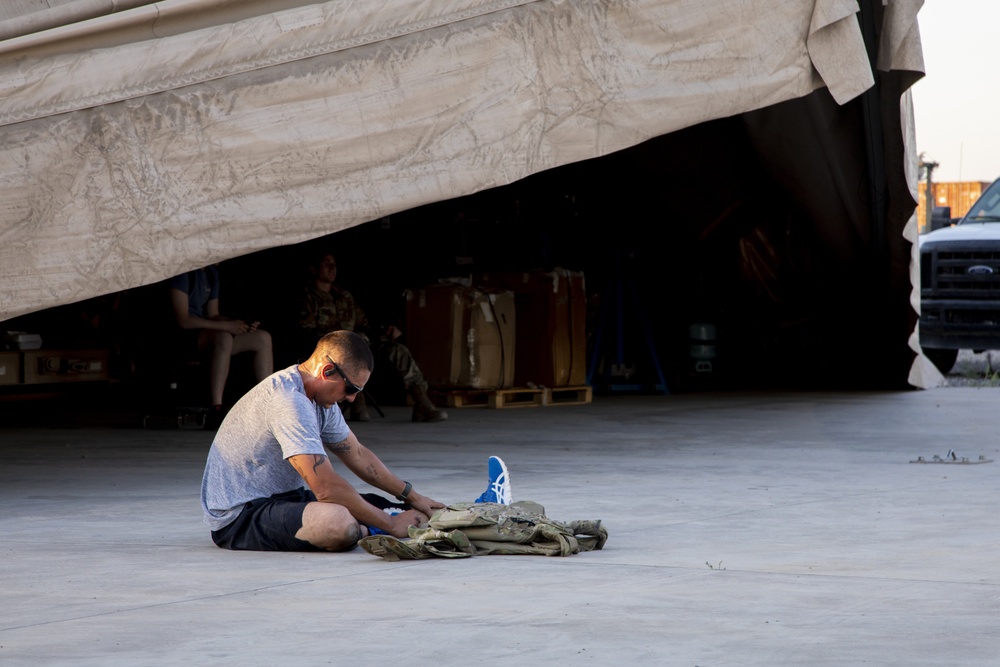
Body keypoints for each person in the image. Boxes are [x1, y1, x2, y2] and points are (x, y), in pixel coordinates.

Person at [200, 330, 511, 552]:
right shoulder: (288, 401)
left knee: (406, 511)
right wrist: (390, 526)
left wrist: (412, 495)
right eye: (351, 389)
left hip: (284, 499)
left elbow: (359, 455)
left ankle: (479, 513)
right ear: (327, 369)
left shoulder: (321, 400)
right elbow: (325, 487)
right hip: (241, 516)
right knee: (341, 523)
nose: (351, 398)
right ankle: (376, 526)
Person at [295, 251, 447, 423]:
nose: (332, 268)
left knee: (398, 350)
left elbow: (364, 324)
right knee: (353, 345)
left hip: (359, 347)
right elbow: (304, 333)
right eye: (326, 264)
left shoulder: (344, 296)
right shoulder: (307, 298)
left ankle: (422, 402)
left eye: (334, 265)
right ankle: (357, 403)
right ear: (314, 269)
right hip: (330, 355)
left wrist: (385, 331)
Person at [169, 265, 273, 423]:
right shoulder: (183, 274)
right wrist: (226, 327)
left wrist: (239, 324)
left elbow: (213, 315)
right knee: (224, 338)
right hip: (184, 336)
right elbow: (183, 321)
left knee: (262, 338)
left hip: (209, 332)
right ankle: (216, 407)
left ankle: (268, 405)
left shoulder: (211, 273)